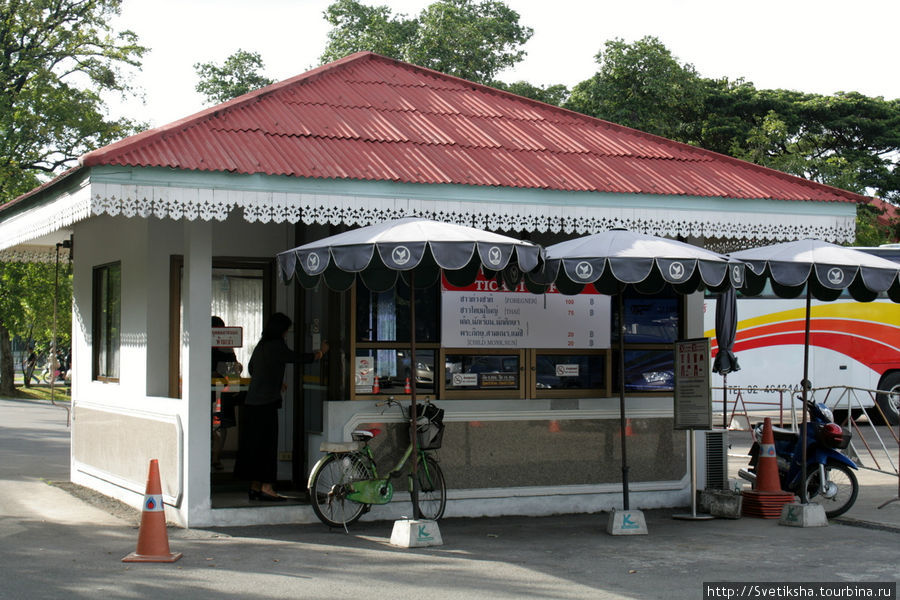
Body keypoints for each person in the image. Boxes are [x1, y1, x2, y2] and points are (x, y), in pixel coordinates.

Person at [234, 312, 328, 501]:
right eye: (287, 329)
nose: (287, 333)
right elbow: (295, 357)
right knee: (268, 447)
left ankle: (254, 487)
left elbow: (253, 368)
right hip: (266, 405)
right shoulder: (277, 345)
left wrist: (274, 382)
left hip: (252, 405)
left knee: (254, 448)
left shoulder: (262, 345)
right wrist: (320, 354)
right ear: (282, 330)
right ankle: (267, 488)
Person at [211, 316, 243, 470]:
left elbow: (233, 369)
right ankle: (215, 457)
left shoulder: (221, 347)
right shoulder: (226, 347)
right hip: (220, 394)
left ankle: (214, 457)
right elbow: (233, 370)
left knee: (216, 426)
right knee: (218, 426)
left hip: (216, 394)